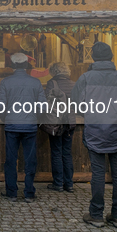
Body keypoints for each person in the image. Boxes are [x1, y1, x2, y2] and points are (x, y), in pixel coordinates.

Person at [71, 41, 117, 228]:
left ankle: (96, 214)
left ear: (94, 57)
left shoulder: (85, 78)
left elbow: (75, 104)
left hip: (95, 131)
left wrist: (90, 113)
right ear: (111, 57)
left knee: (98, 173)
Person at [0, 52, 47, 203]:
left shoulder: (6, 82)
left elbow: (0, 106)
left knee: (11, 160)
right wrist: (35, 117)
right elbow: (43, 105)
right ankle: (29, 192)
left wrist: (6, 118)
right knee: (30, 159)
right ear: (26, 65)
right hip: (30, 126)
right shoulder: (35, 82)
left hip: (12, 125)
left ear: (13, 65)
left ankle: (11, 192)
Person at [45, 61, 76, 193]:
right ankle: (69, 184)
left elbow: (46, 102)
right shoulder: (74, 84)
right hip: (70, 122)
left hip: (56, 122)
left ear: (54, 71)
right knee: (67, 153)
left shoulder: (52, 83)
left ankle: (58, 183)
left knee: (57, 152)